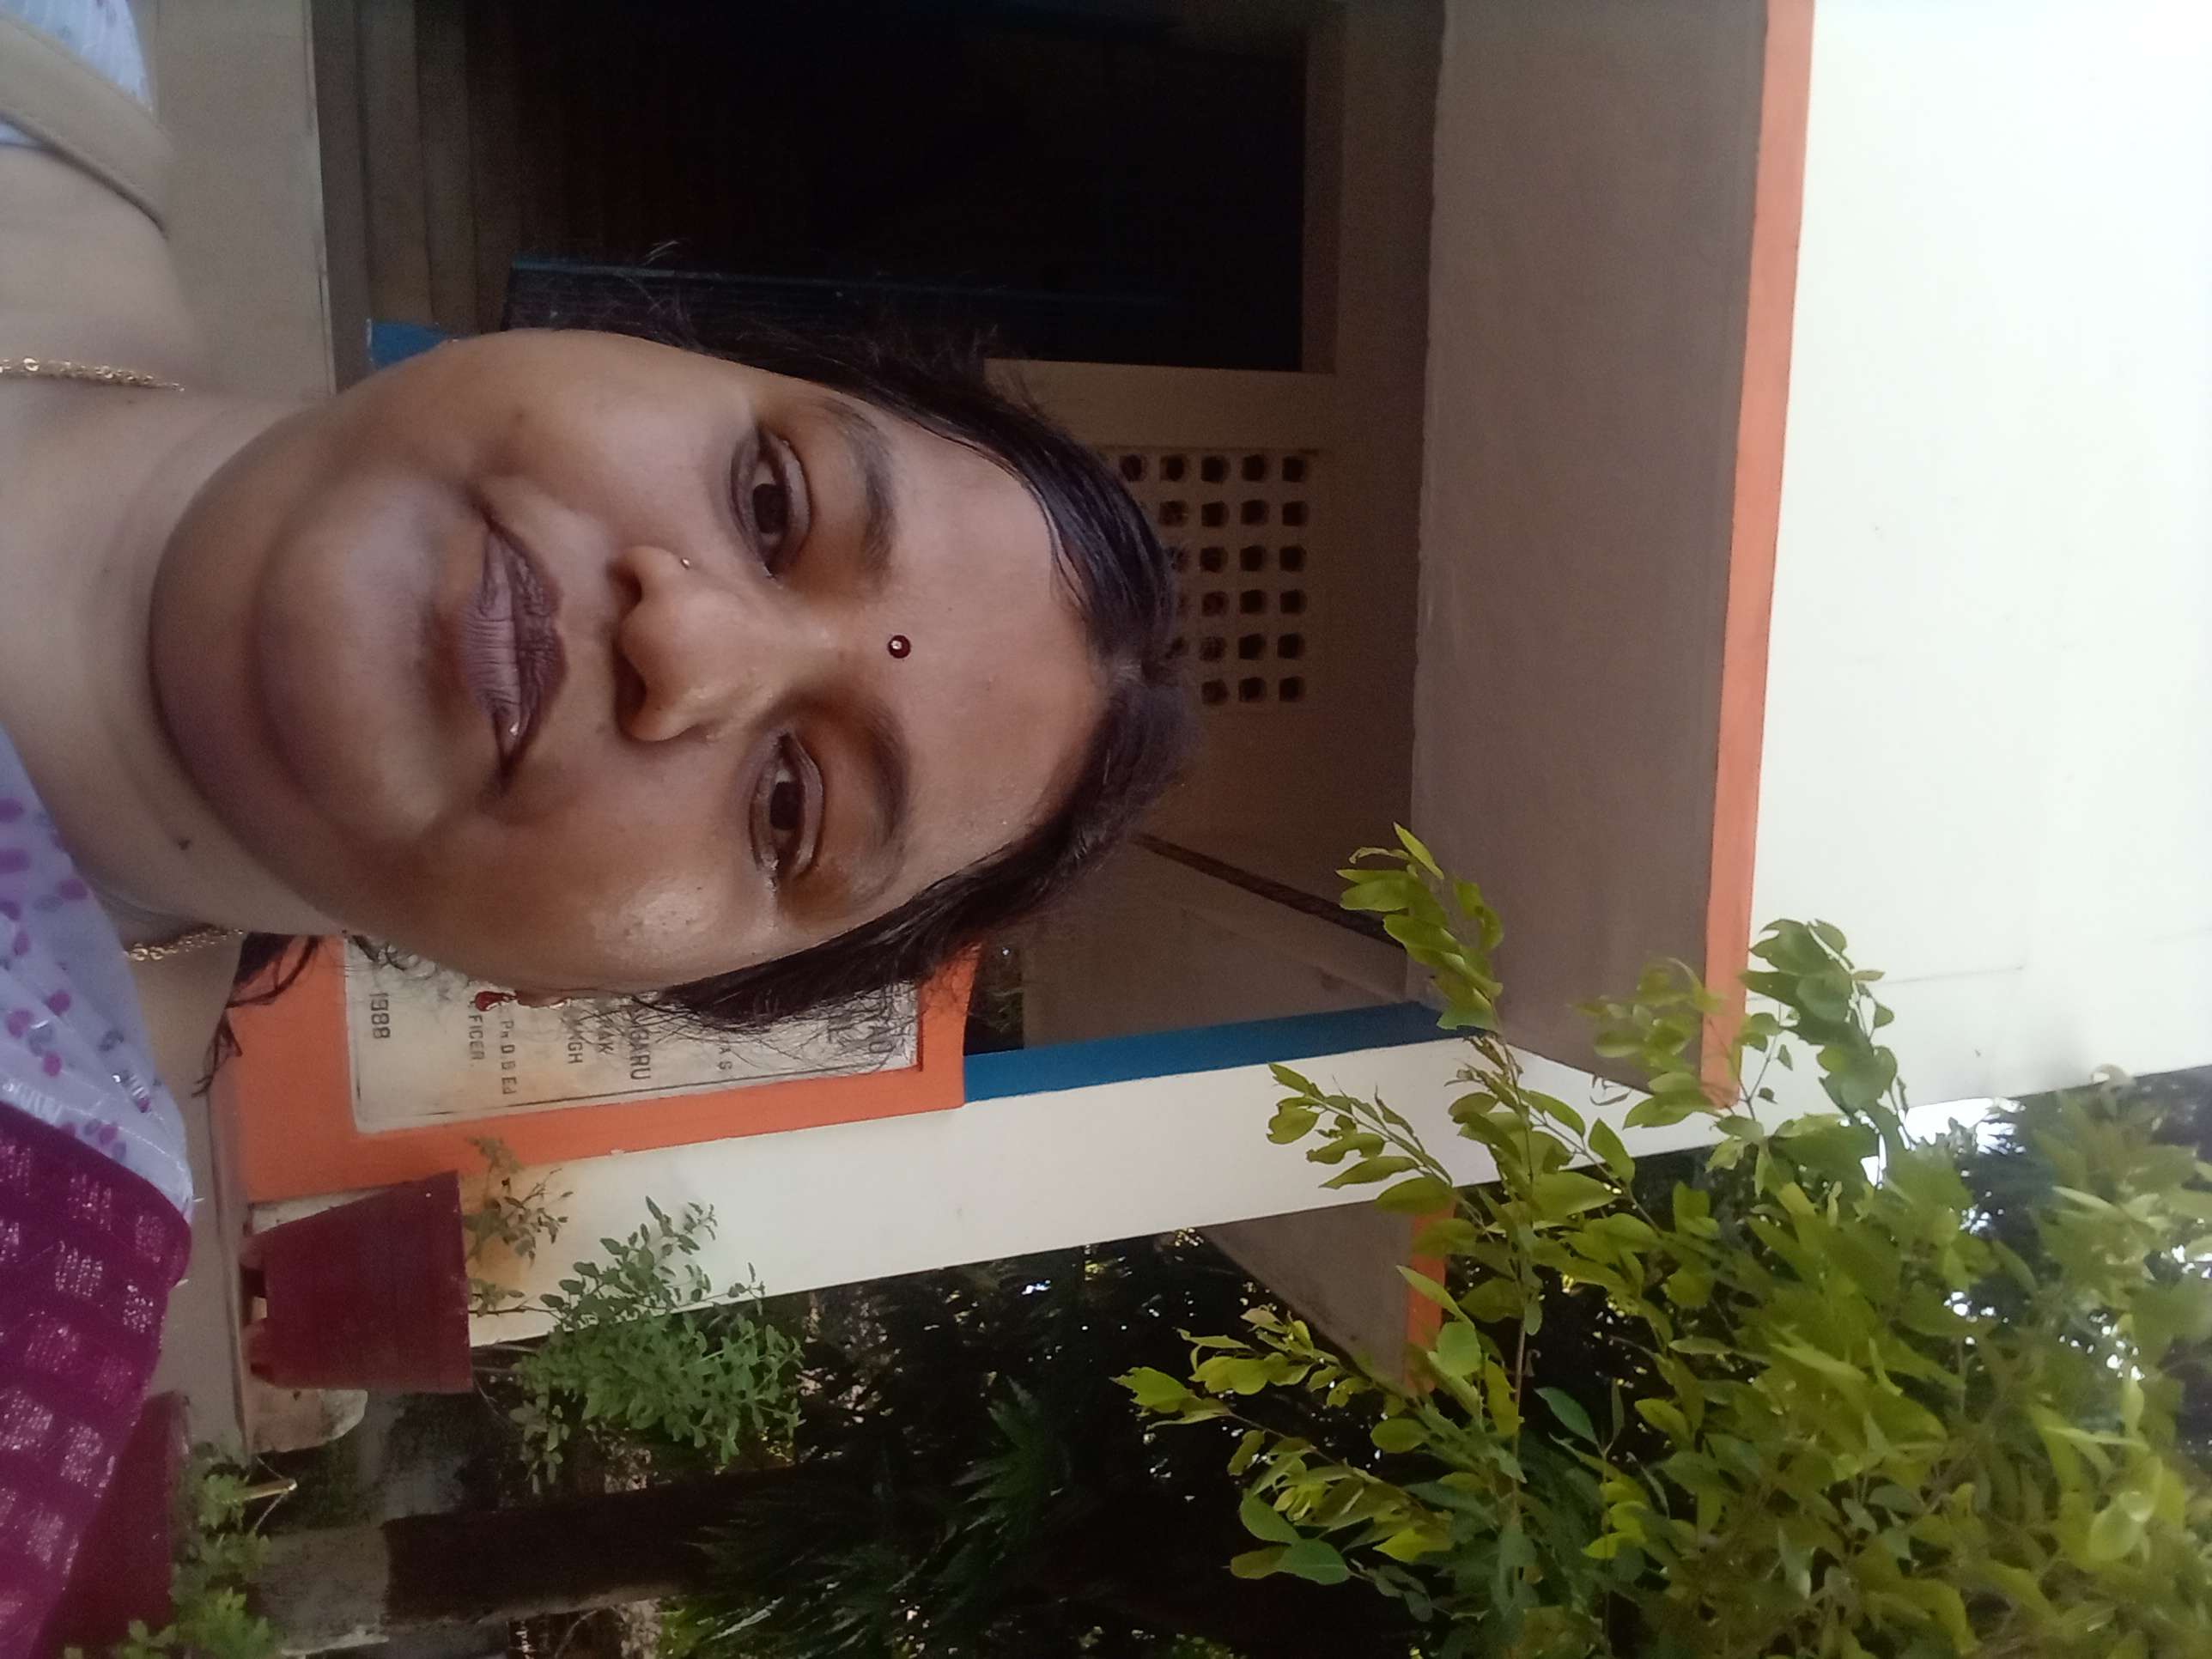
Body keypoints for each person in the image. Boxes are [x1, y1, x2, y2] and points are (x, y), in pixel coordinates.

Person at [0, 2, 1186, 1647]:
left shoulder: (32, 1279)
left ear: (601, 994)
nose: (683, 645)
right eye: (772, 502)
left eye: (790, 806)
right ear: (654, 339)